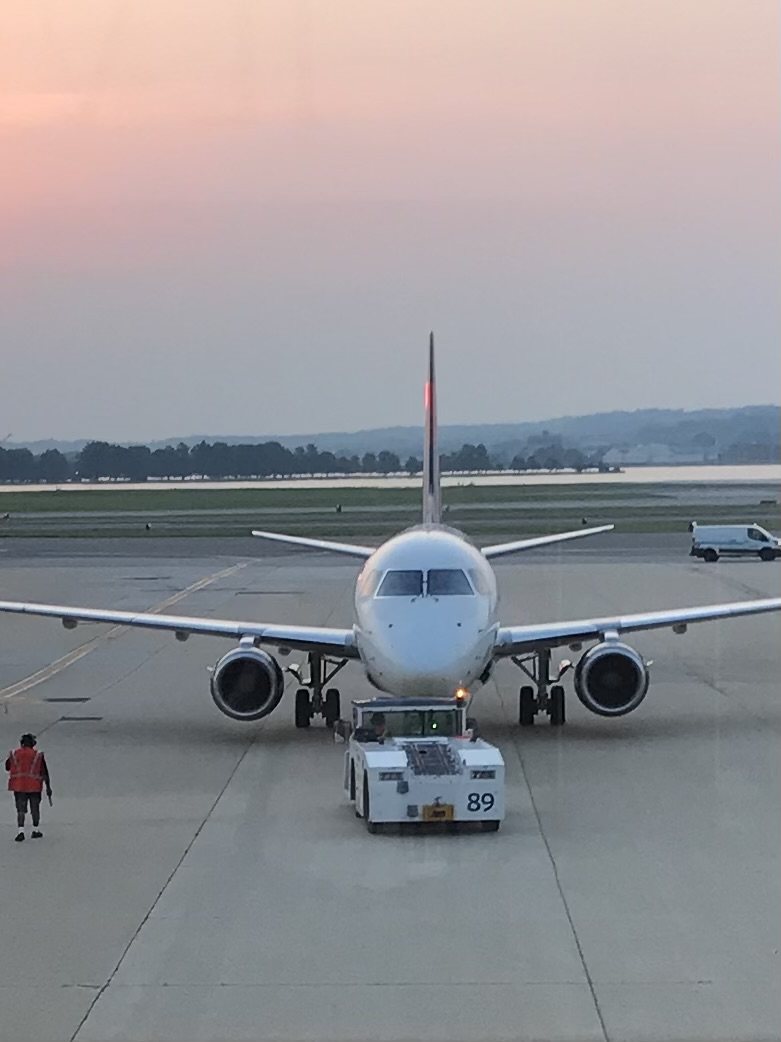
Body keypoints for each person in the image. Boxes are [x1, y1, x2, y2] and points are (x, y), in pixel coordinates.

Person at [6, 734, 52, 842]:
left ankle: (20, 832)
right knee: (35, 808)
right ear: (33, 743)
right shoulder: (38, 755)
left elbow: (7, 767)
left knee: (20, 810)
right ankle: (35, 830)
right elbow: (44, 772)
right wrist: (48, 787)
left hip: (18, 786)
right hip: (34, 786)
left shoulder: (14, 753)